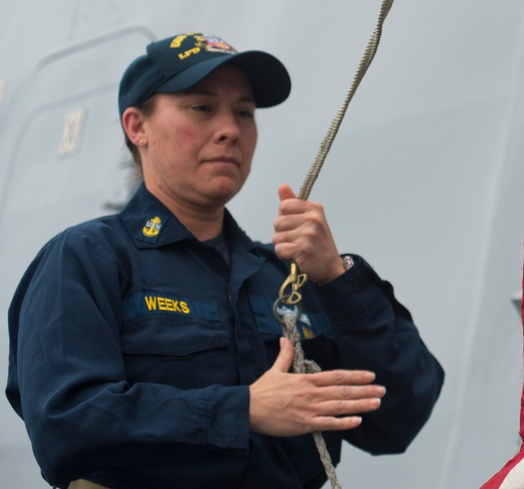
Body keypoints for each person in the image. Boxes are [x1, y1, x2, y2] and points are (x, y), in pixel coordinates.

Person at [6, 32, 444, 489]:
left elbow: (400, 416)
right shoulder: (86, 260)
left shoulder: (285, 278)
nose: (230, 129)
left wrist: (337, 279)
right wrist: (244, 409)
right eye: (202, 107)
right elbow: (66, 422)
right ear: (137, 127)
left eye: (243, 113)